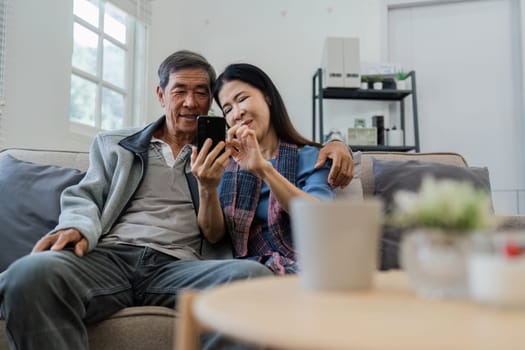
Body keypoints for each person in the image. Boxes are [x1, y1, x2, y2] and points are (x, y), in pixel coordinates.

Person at [0, 51, 353, 349]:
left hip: (180, 266)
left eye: (202, 92)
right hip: (110, 257)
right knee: (29, 274)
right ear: (160, 94)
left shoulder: (225, 153)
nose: (190, 102)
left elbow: (281, 155)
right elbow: (86, 195)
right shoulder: (113, 144)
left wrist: (338, 142)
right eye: (180, 90)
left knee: (249, 277)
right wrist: (77, 225)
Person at [192, 63, 336, 275]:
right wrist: (207, 187)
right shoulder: (225, 163)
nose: (238, 113)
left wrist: (264, 170)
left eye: (242, 99)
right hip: (244, 271)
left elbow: (319, 217)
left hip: (305, 266)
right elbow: (213, 235)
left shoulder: (311, 157)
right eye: (228, 109)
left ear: (267, 96)